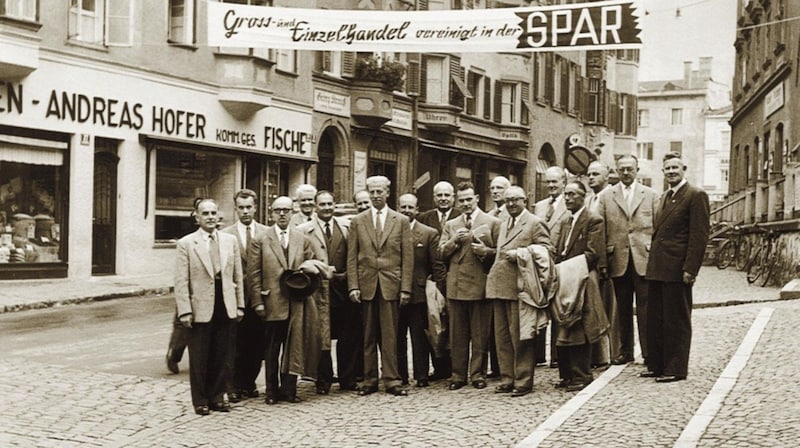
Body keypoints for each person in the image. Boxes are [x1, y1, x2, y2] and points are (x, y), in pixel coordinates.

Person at [247, 196, 321, 405]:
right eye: (278, 210)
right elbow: (254, 274)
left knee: (294, 346)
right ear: (271, 213)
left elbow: (311, 266)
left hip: (296, 302)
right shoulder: (261, 239)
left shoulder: (302, 239)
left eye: (286, 210)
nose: (282, 214)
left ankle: (289, 389)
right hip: (272, 302)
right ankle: (271, 391)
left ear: (292, 212)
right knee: (271, 349)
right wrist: (258, 302)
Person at [643, 152, 709, 383]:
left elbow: (699, 236)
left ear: (684, 169)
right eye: (667, 168)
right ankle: (658, 364)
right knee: (657, 319)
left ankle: (676, 367)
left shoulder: (695, 195)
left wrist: (690, 269)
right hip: (658, 268)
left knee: (676, 320)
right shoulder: (664, 197)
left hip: (677, 269)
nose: (671, 171)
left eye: (675, 167)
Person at [174, 199, 244, 416]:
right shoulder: (186, 244)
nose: (211, 217)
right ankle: (201, 400)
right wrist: (185, 310)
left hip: (225, 304)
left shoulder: (229, 241)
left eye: (214, 212)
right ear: (197, 217)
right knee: (199, 357)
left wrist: (239, 305)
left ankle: (217, 397)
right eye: (206, 213)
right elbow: (181, 280)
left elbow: (237, 276)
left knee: (221, 355)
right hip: (200, 308)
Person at [347, 175, 413, 396]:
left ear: (388, 192)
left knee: (390, 335)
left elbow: (407, 257)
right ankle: (369, 379)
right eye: (372, 192)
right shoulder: (358, 221)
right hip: (366, 284)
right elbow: (352, 256)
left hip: (390, 284)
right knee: (367, 335)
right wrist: (353, 285)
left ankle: (392, 380)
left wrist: (405, 288)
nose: (375, 196)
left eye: (379, 192)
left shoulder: (400, 221)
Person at [486, 186, 551, 397]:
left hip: (521, 288)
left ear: (526, 199)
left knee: (521, 336)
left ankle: (523, 380)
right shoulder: (504, 223)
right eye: (508, 200)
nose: (511, 204)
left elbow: (548, 252)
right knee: (502, 337)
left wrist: (522, 253)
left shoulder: (534, 222)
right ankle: (507, 378)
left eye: (516, 200)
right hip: (499, 287)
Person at [596, 154, 659, 366]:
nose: (625, 172)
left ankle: (649, 352)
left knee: (646, 308)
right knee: (622, 309)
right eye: (622, 169)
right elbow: (600, 230)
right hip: (618, 259)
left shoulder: (650, 195)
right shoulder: (606, 197)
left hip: (644, 258)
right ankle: (625, 351)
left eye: (629, 169)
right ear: (616, 170)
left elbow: (658, 230)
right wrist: (603, 262)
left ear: (637, 170)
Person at [297, 190, 361, 394]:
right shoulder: (303, 230)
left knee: (348, 335)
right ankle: (323, 380)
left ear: (334, 205)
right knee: (321, 336)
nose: (326, 208)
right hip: (318, 291)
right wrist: (321, 270)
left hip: (343, 288)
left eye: (329, 204)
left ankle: (347, 378)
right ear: (315, 207)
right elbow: (300, 261)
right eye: (322, 204)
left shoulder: (346, 227)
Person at [438, 182, 499, 391]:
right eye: (461, 200)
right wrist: (455, 240)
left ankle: (478, 374)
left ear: (477, 198)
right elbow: (441, 253)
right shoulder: (451, 224)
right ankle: (458, 375)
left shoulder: (492, 222)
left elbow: (499, 253)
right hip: (456, 285)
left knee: (480, 334)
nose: (465, 204)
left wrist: (486, 251)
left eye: (468, 199)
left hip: (480, 284)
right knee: (457, 334)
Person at [553, 181, 609, 392]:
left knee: (579, 327)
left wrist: (566, 268)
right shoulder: (567, 220)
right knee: (565, 326)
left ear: (583, 197)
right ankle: (567, 375)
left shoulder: (593, 220)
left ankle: (582, 375)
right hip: (566, 278)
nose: (567, 198)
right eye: (566, 194)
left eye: (572, 195)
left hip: (581, 279)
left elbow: (593, 253)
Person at [221, 189, 269, 402]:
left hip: (260, 298)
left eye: (249, 207)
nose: (245, 211)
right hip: (236, 297)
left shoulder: (266, 233)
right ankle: (234, 386)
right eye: (241, 207)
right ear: (236, 209)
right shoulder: (226, 234)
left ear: (256, 207)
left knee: (257, 344)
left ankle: (249, 383)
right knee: (235, 345)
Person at [417, 180, 460, 381]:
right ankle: (439, 367)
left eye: (447, 195)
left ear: (453, 197)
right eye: (439, 195)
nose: (443, 199)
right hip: (431, 282)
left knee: (455, 325)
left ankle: (455, 367)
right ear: (434, 197)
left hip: (455, 279)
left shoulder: (462, 217)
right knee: (434, 324)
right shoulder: (424, 218)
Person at [397, 193, 440, 388]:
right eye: (403, 207)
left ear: (417, 210)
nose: (406, 211)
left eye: (410, 207)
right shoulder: (392, 230)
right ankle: (400, 375)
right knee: (397, 336)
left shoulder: (428, 233)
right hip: (395, 291)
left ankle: (421, 375)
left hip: (419, 292)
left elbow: (435, 265)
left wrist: (435, 289)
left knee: (419, 336)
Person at [533, 166, 570, 368]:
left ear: (563, 182)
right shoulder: (539, 206)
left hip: (559, 264)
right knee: (538, 307)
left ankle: (557, 354)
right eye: (547, 182)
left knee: (558, 310)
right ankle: (538, 355)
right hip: (539, 266)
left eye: (554, 182)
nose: (551, 186)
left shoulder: (569, 203)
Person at [584, 161, 617, 370]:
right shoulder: (588, 199)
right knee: (591, 308)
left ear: (606, 176)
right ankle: (594, 353)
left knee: (607, 309)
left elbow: (609, 231)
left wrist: (604, 263)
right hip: (589, 261)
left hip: (607, 261)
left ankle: (610, 353)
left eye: (595, 174)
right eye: (588, 174)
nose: (591, 177)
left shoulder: (611, 197)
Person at [166, 198, 204, 375]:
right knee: (182, 323)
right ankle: (174, 354)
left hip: (205, 287)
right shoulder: (189, 229)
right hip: (190, 284)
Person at [484, 175, 511, 378]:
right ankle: (495, 366)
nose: (495, 191)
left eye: (500, 188)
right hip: (490, 276)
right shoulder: (488, 215)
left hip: (508, 275)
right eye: (492, 188)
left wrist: (487, 251)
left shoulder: (509, 216)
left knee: (507, 326)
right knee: (493, 325)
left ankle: (506, 367)